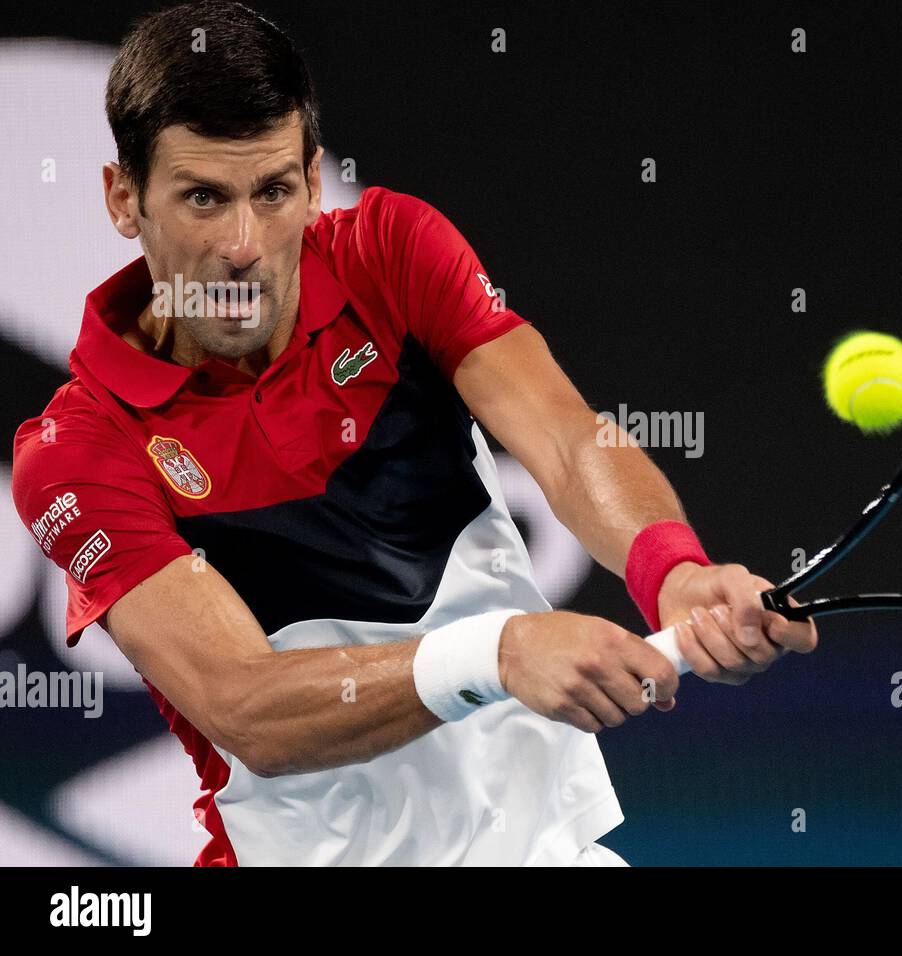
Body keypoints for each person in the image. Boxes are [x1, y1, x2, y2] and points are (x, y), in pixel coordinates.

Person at [10, 1, 816, 866]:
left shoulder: (391, 250)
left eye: (274, 192)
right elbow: (249, 707)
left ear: (315, 183)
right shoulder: (77, 454)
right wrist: (497, 654)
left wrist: (674, 571)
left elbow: (568, 442)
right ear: (123, 198)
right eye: (203, 198)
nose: (244, 245)